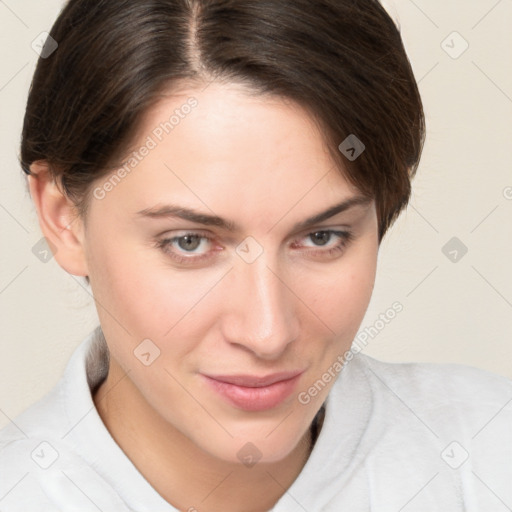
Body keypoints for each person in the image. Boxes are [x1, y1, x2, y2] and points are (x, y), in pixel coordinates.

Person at [1, 0, 511, 510]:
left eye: (321, 237)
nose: (268, 333)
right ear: (63, 217)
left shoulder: (489, 450)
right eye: (190, 242)